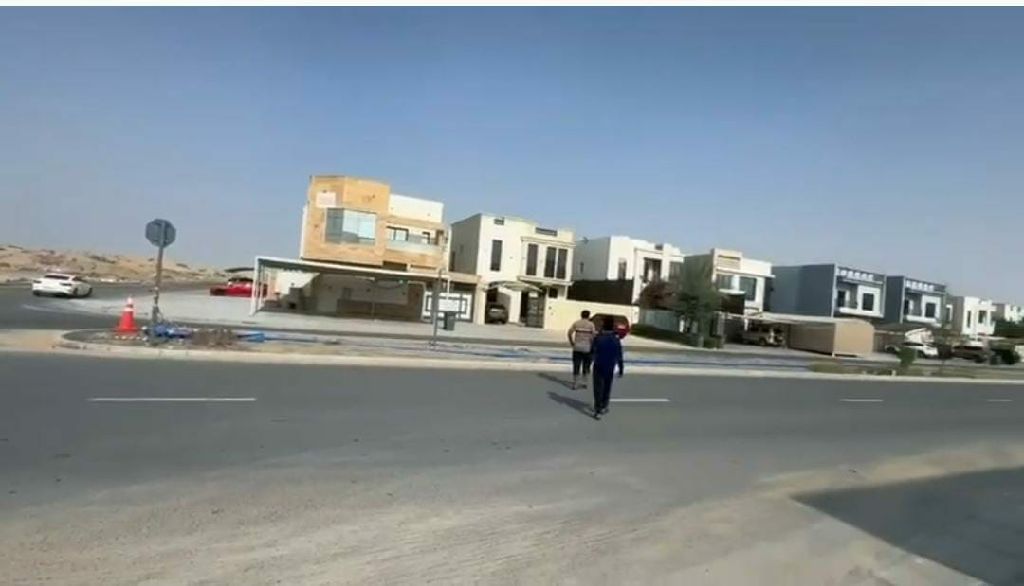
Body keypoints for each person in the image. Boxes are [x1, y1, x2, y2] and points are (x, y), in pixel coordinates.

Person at [591, 316, 624, 420]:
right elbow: (619, 355)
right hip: (610, 366)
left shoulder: (598, 338)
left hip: (599, 365)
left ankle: (597, 410)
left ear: (603, 325)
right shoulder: (616, 339)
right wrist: (621, 368)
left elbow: (592, 351)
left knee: (598, 388)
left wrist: (588, 364)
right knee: (607, 387)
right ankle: (604, 405)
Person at [567, 310, 596, 389]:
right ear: (588, 316)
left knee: (576, 365)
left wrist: (572, 342)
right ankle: (584, 382)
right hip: (587, 348)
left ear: (581, 315)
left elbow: (569, 333)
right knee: (586, 366)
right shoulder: (591, 324)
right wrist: (591, 343)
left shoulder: (577, 323)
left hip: (577, 347)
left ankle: (575, 383)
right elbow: (593, 336)